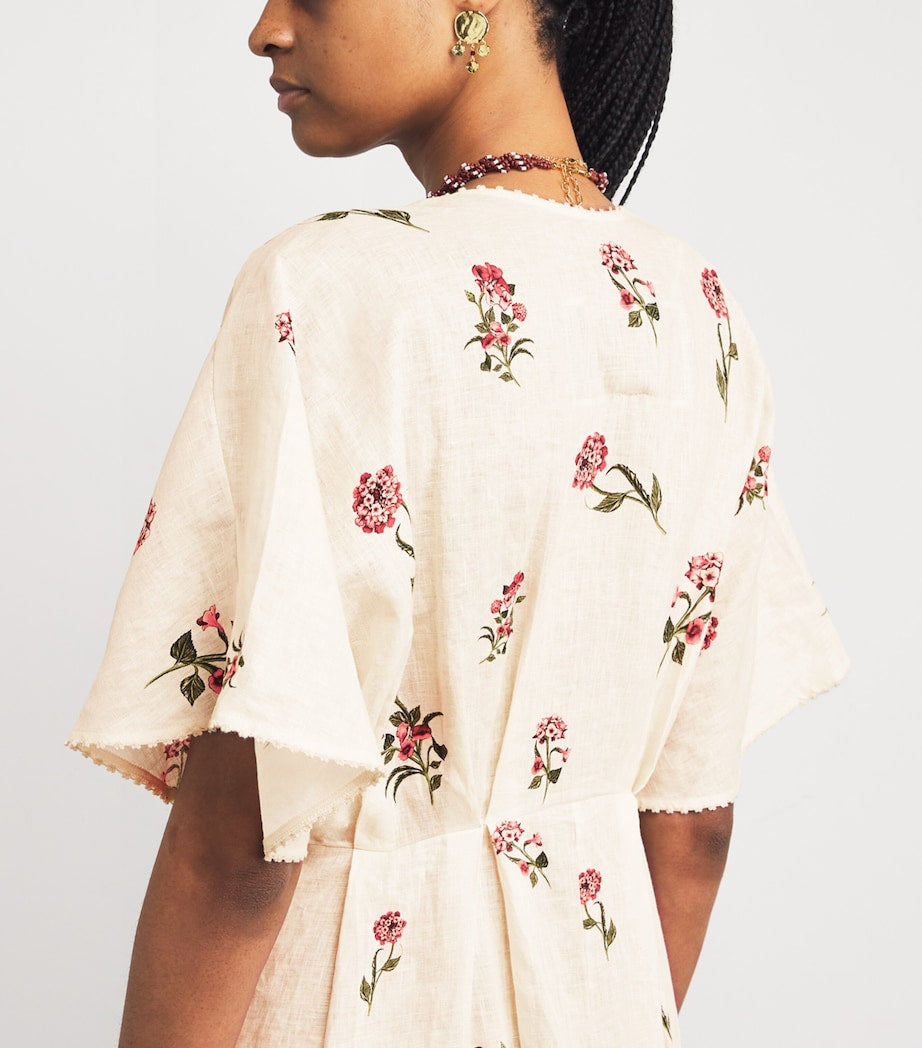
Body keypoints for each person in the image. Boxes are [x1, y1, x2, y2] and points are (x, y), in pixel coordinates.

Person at [66, 2, 850, 1045]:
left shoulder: (332, 288)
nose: (265, 29)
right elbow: (693, 824)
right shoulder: (700, 311)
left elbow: (240, 844)